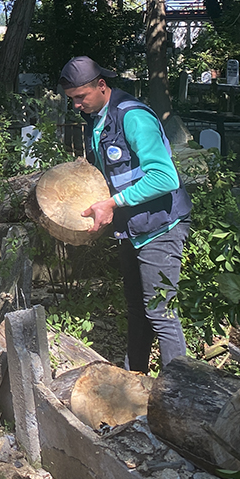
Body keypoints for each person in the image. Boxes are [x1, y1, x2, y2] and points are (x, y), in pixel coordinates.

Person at [60, 55, 193, 373]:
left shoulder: (133, 117)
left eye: (81, 97)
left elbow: (165, 178)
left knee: (160, 312)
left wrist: (112, 205)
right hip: (131, 228)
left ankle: (184, 392)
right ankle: (134, 383)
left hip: (161, 226)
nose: (76, 105)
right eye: (72, 99)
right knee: (137, 310)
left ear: (101, 86)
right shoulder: (96, 117)